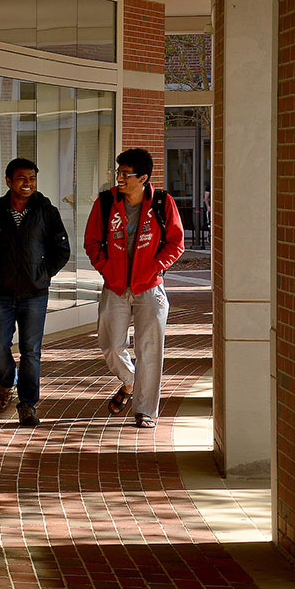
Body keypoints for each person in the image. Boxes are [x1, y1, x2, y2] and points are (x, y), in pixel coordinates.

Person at [84, 148, 185, 429]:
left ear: (142, 178)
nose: (119, 178)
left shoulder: (163, 203)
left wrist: (155, 268)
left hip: (150, 288)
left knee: (150, 349)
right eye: (118, 172)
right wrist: (107, 269)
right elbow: (92, 242)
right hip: (114, 286)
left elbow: (176, 243)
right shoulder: (105, 203)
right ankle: (130, 381)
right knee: (110, 345)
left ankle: (145, 411)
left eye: (125, 174)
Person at [0, 157, 71, 427]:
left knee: (31, 351)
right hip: (1, 292)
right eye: (22, 178)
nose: (28, 183)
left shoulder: (47, 212)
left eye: (32, 178)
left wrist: (43, 274)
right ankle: (6, 383)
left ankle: (27, 404)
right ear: (9, 181)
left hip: (35, 294)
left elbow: (61, 250)